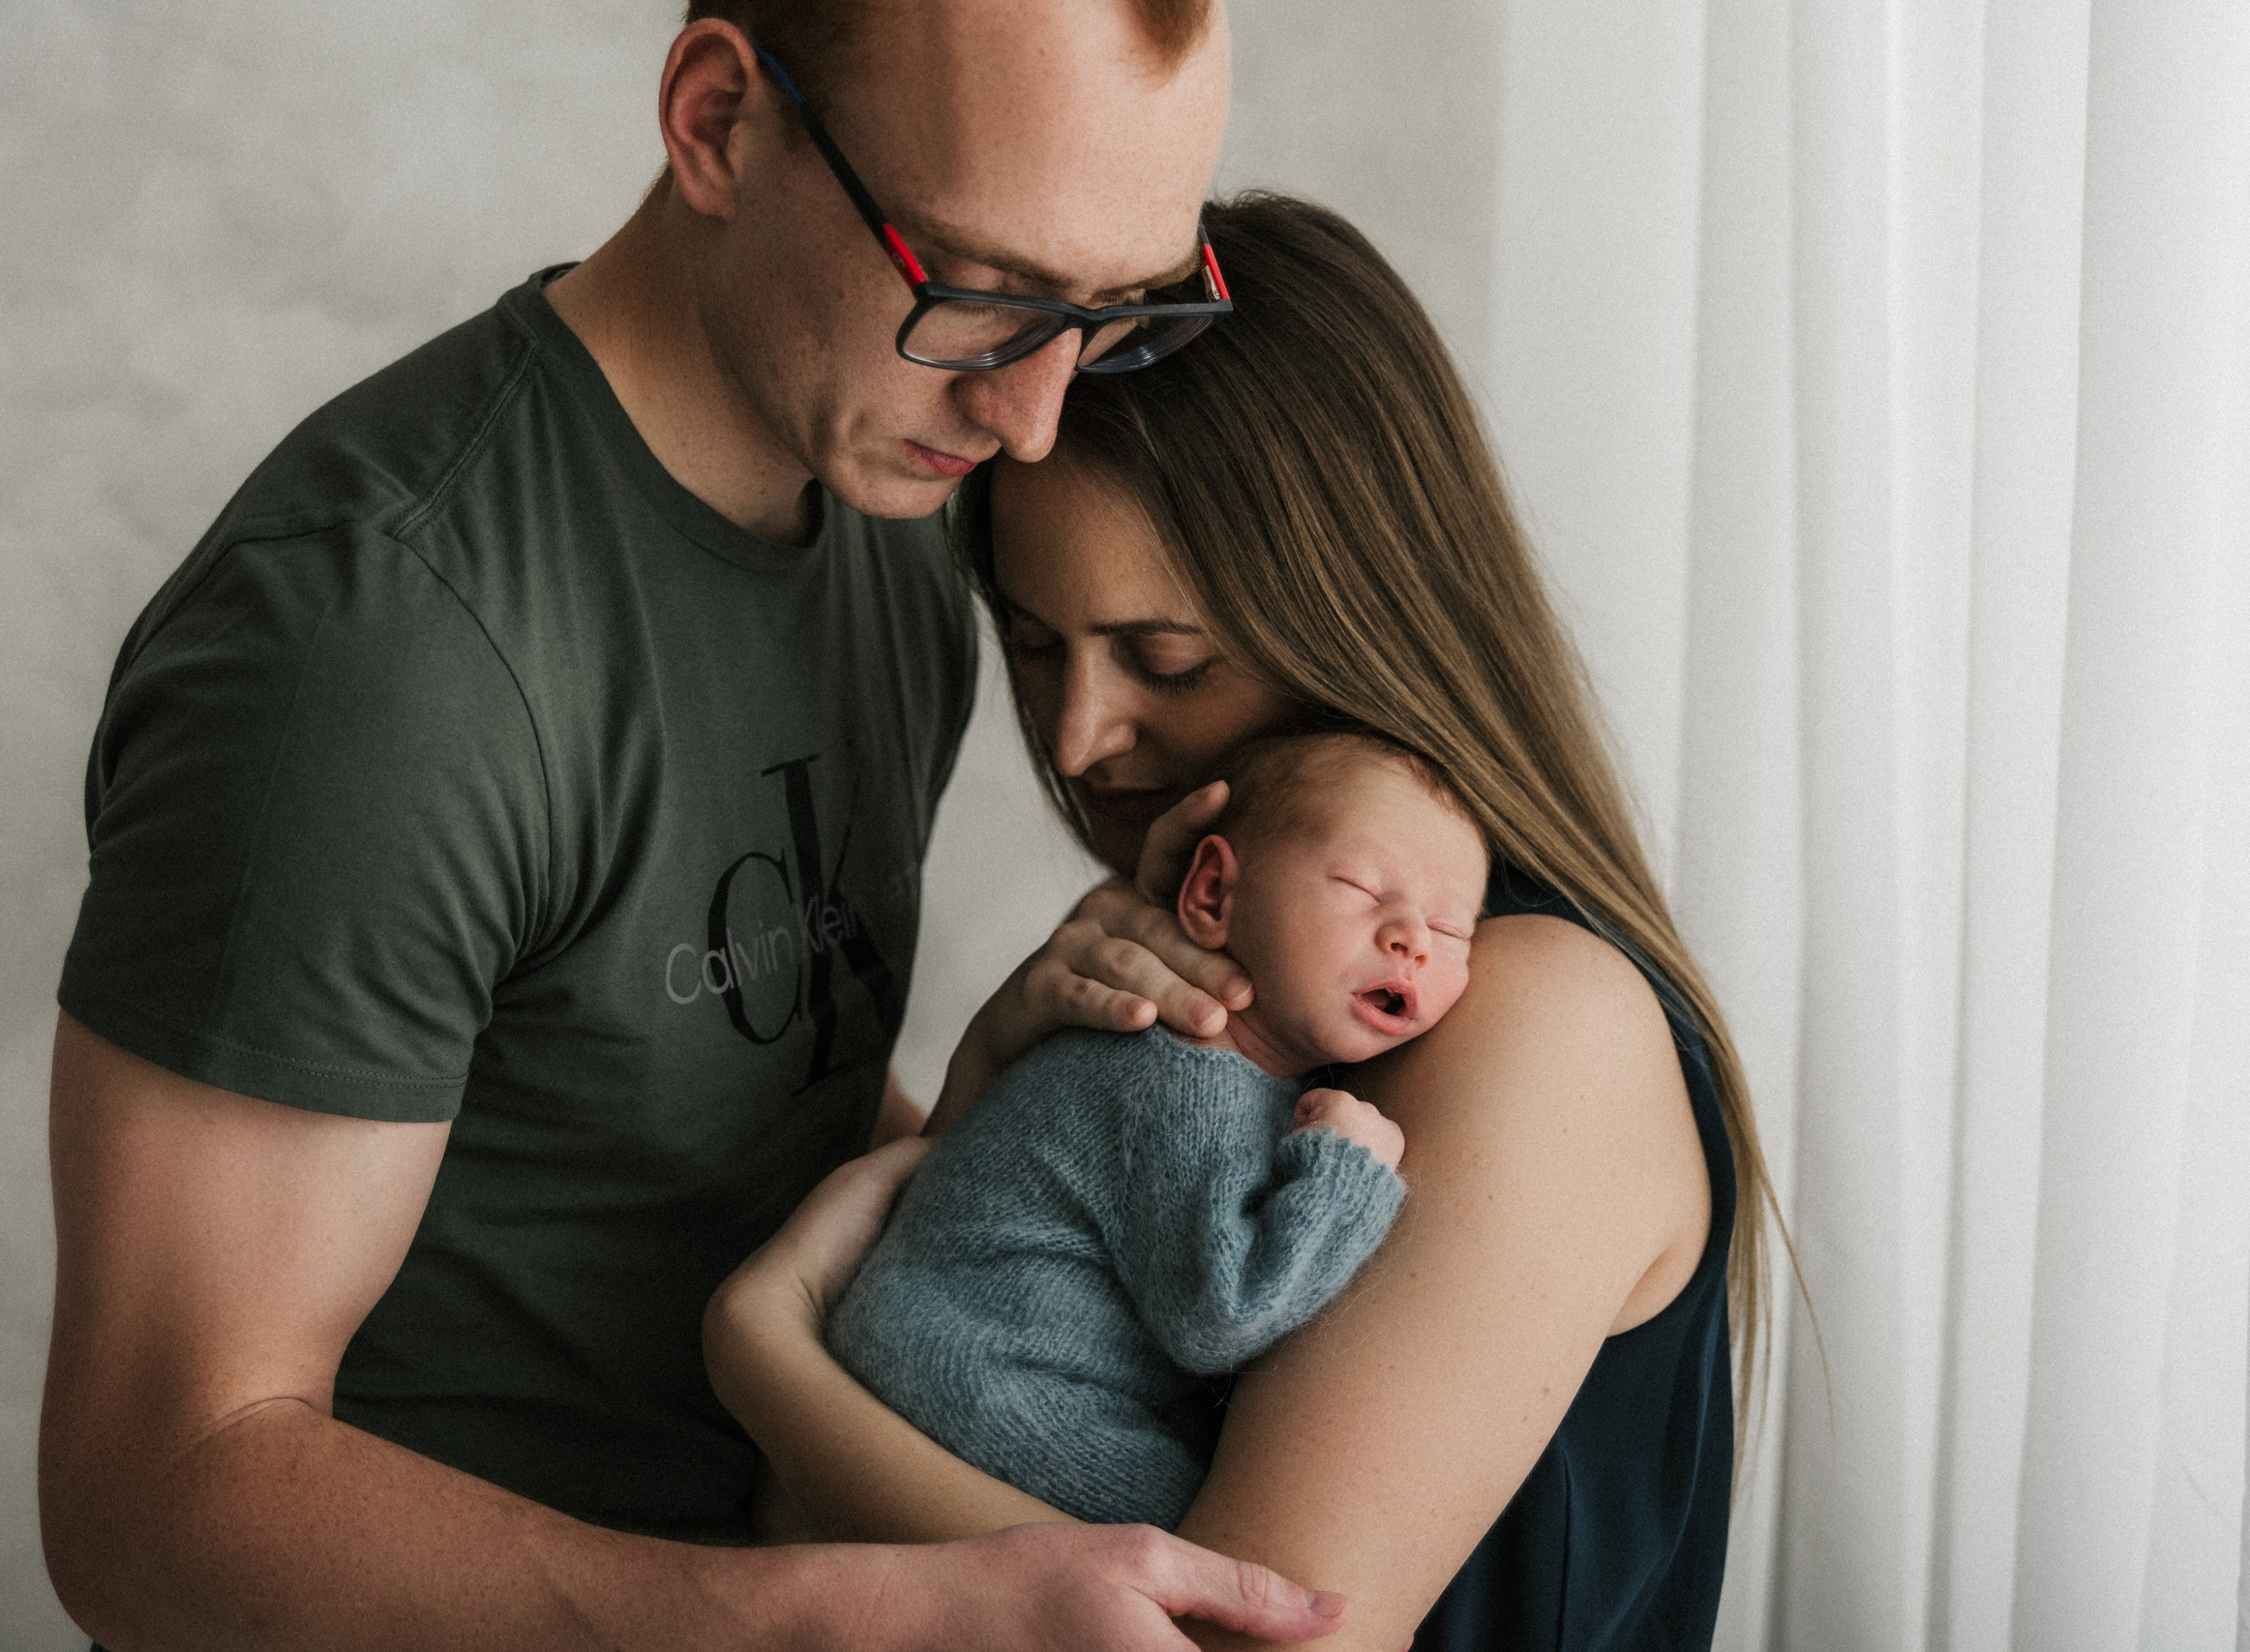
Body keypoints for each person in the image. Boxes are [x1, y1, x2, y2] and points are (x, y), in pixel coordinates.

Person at [38, 5, 1356, 1649]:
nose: (1032, 418)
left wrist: (998, 1106)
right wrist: (869, 1614)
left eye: (1112, 315)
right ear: (718, 119)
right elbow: (153, 1501)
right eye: (980, 290)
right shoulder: (372, 655)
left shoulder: (890, 517)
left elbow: (702, 1097)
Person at [705, 192, 1790, 1651]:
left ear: (1359, 616)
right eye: (1033, 643)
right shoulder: (1231, 988)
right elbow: (998, 1340)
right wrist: (985, 1071)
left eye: (1161, 656)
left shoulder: (1538, 1020)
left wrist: (768, 1360)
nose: (1081, 734)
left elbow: (1245, 1633)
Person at [804, 732, 1487, 1531]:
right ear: (1211, 896)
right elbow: (1221, 1313)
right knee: (1227, 1546)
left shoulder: (1231, 1068)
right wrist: (1347, 1169)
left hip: (969, 1353)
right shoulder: (1182, 1073)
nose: (1410, 937)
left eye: (1449, 929)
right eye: (1363, 889)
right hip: (973, 1374)